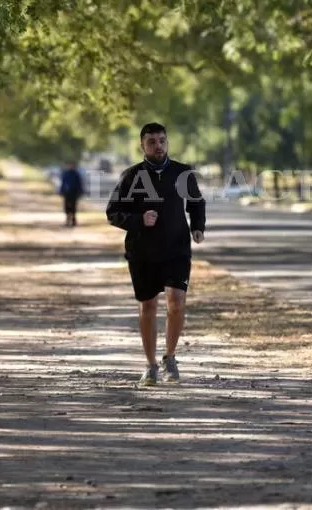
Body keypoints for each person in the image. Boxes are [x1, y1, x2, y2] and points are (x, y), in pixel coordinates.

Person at [105, 122, 206, 386]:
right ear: (142, 145)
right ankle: (150, 366)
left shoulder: (182, 173)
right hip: (142, 251)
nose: (158, 146)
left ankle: (169, 357)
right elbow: (113, 213)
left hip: (176, 249)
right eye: (152, 141)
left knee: (176, 302)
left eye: (162, 140)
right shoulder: (130, 176)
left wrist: (197, 226)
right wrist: (139, 220)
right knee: (148, 306)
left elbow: (196, 202)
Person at [59, 162, 84, 226]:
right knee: (66, 207)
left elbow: (79, 184)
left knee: (73, 206)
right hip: (66, 193)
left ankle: (73, 220)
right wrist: (61, 191)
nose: (71, 166)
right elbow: (63, 183)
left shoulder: (76, 174)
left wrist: (80, 192)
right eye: (70, 165)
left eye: (72, 165)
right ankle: (67, 219)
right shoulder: (66, 174)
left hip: (74, 193)